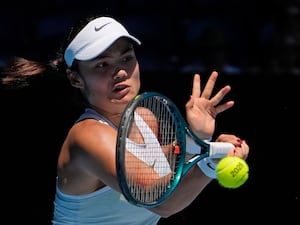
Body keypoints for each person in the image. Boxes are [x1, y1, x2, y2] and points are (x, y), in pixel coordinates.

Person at [1, 14, 249, 225]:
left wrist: (201, 142)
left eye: (126, 58)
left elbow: (165, 169)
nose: (119, 71)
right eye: (101, 64)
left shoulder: (144, 116)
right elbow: (161, 203)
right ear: (76, 79)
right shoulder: (88, 137)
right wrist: (210, 165)